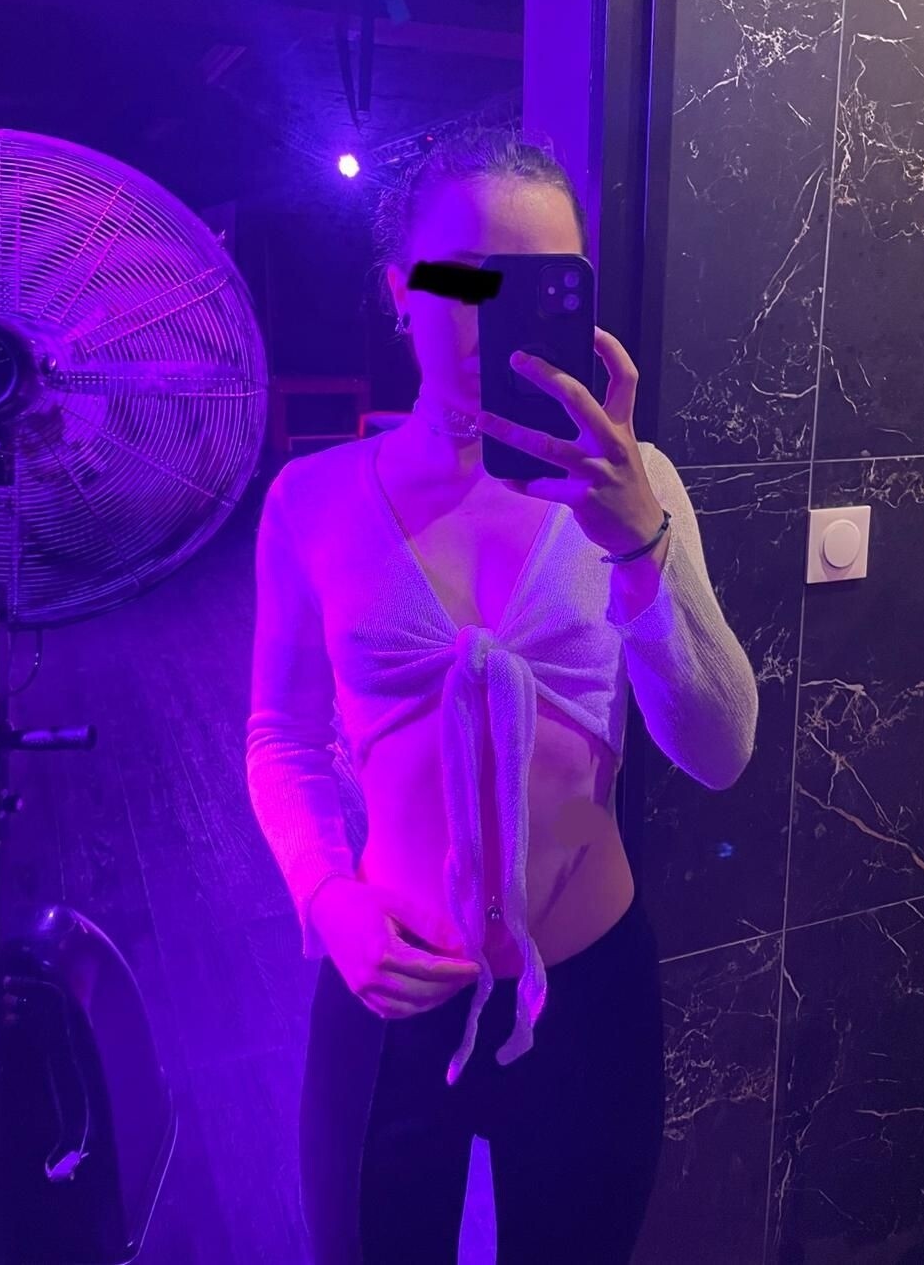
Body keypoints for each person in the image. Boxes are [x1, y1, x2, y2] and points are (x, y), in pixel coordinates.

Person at [245, 129, 760, 1265]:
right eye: (466, 280)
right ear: (401, 291)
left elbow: (719, 749)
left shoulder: (639, 490)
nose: (494, 321)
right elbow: (281, 738)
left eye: (538, 286)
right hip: (386, 982)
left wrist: (640, 545)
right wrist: (325, 897)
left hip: (590, 993)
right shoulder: (312, 502)